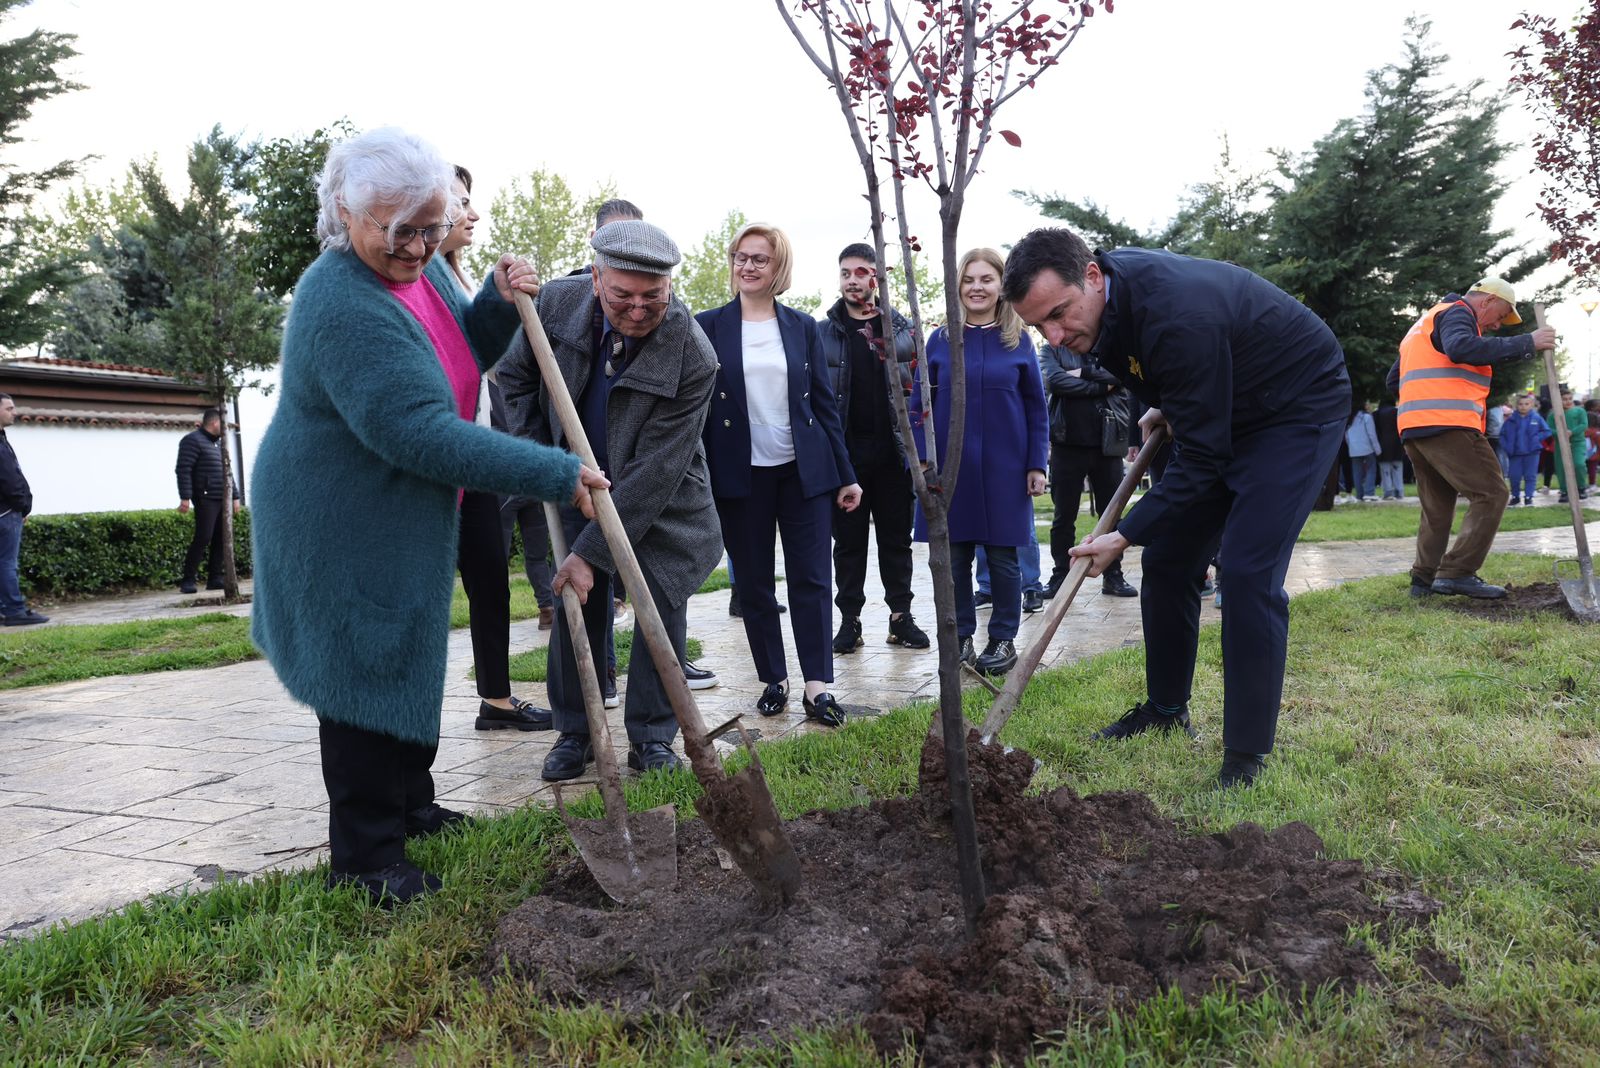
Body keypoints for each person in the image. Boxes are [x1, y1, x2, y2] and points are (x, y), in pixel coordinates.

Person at [250, 128, 605, 906]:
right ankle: (368, 859)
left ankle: (412, 808)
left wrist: (498, 302)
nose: (417, 245)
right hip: (337, 516)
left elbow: (459, 349)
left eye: (430, 226)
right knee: (362, 672)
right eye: (399, 230)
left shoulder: (421, 274)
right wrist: (553, 472)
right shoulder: (340, 300)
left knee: (406, 651)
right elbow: (416, 430)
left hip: (395, 504)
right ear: (347, 215)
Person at [1005, 227, 1351, 789]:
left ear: (1092, 275)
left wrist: (1124, 534)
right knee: (1168, 560)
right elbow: (1147, 363)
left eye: (1060, 314)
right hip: (1226, 402)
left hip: (1294, 406)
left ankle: (1245, 754)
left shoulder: (1177, 312)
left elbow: (1204, 458)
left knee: (1246, 573)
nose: (1056, 336)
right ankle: (1166, 711)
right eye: (1039, 324)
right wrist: (1162, 404)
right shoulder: (1104, 307)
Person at [498, 219, 722, 780]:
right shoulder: (552, 305)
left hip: (661, 499)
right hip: (571, 482)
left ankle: (653, 739)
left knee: (658, 602)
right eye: (623, 295)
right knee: (579, 599)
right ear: (596, 278)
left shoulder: (693, 353)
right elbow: (515, 379)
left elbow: (657, 471)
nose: (639, 308)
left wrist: (591, 550)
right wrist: (546, 464)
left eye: (654, 296)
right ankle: (575, 732)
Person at [699, 223, 861, 727]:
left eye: (759, 259)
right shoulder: (707, 326)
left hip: (803, 473)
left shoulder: (802, 327)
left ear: (778, 268)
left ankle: (818, 686)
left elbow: (824, 405)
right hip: (740, 475)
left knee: (812, 579)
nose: (747, 266)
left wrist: (846, 475)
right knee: (752, 583)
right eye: (740, 257)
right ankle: (774, 679)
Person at [435, 165, 554, 731]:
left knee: (490, 577)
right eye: (461, 202)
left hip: (477, 451)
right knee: (440, 588)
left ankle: (496, 699)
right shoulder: (421, 278)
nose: (473, 213)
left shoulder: (457, 277)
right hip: (440, 458)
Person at [916, 247, 1048, 677]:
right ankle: (961, 639)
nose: (977, 287)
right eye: (969, 279)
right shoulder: (939, 341)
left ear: (1001, 286)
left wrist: (1036, 464)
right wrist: (921, 460)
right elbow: (919, 406)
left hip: (1005, 468)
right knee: (954, 559)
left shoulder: (1018, 339)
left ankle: (1003, 638)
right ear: (958, 285)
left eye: (986, 279)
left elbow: (1035, 408)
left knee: (1005, 559)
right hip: (950, 473)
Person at [1384, 276, 1553, 599]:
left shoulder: (1424, 324)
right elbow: (1462, 348)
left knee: (1437, 508)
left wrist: (1423, 403)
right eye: (1501, 315)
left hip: (1415, 428)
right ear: (1486, 300)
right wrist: (1527, 343)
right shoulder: (1459, 313)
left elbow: (1395, 378)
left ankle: (1423, 581)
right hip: (1449, 425)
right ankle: (1457, 572)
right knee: (1491, 494)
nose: (1497, 325)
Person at [821, 242, 930, 654]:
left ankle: (900, 619)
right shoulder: (823, 333)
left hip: (893, 460)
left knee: (896, 543)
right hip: (846, 462)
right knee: (847, 547)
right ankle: (849, 622)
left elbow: (921, 398)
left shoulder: (904, 332)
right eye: (847, 272)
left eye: (863, 272)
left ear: (878, 277)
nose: (854, 280)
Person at [1037, 337, 1137, 598]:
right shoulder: (1051, 350)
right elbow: (1055, 382)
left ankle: (1113, 576)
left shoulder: (1106, 347)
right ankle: (1060, 574)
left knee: (1112, 514)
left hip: (1107, 444)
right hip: (1066, 444)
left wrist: (1084, 373)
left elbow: (1120, 376)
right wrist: (1099, 386)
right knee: (1063, 516)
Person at [174, 408, 241, 594]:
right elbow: (183, 469)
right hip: (205, 498)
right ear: (214, 423)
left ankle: (215, 578)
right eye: (223, 423)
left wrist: (235, 497)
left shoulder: (219, 444)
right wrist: (185, 497)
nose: (225, 427)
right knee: (203, 537)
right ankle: (188, 580)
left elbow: (228, 472)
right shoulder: (192, 441)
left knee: (222, 538)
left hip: (223, 498)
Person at [0, 393, 47, 626]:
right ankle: (14, 610)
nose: (14, 412)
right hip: (6, 513)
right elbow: (9, 479)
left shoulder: (2, 439)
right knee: (7, 563)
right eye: (9, 408)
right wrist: (23, 505)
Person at [1501, 392, 1550, 507]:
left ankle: (1528, 498)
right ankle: (1515, 497)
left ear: (1532, 405)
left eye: (1526, 404)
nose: (1523, 406)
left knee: (1530, 476)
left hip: (1532, 453)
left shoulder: (1536, 418)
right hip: (1515, 453)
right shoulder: (1511, 419)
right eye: (1520, 404)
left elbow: (1546, 431)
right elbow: (1502, 434)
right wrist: (1506, 446)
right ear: (1516, 405)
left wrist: (1536, 439)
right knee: (1514, 476)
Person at [1548, 387, 1589, 503]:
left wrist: (1572, 432)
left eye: (1570, 398)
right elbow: (1549, 428)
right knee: (1561, 467)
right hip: (1560, 444)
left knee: (1579, 464)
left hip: (1578, 443)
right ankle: (1564, 491)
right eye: (1564, 399)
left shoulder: (1580, 411)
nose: (1568, 401)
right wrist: (1560, 433)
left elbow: (1584, 424)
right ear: (1557, 400)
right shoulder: (1553, 414)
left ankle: (1581, 487)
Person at [1345, 402, 1380, 502]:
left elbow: (1347, 436)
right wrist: (1377, 449)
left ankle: (1359, 494)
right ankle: (1369, 493)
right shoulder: (1366, 417)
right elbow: (1372, 434)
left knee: (1357, 472)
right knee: (1371, 469)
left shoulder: (1349, 419)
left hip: (1354, 450)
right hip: (1367, 448)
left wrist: (1351, 447)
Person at [1374, 399, 1405, 500]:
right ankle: (1399, 491)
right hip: (1397, 445)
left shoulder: (1376, 414)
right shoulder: (1398, 412)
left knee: (1385, 470)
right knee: (1397, 468)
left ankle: (1388, 491)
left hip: (1382, 445)